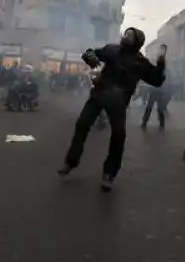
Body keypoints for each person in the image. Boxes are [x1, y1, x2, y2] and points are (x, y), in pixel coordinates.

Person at [58, 28, 165, 192]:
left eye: (129, 36)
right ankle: (70, 162)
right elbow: (90, 52)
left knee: (118, 136)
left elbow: (156, 80)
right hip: (99, 94)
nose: (125, 37)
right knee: (82, 124)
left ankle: (109, 173)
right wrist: (91, 57)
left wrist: (161, 63)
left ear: (137, 42)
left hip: (118, 102)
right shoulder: (112, 50)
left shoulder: (140, 62)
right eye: (125, 34)